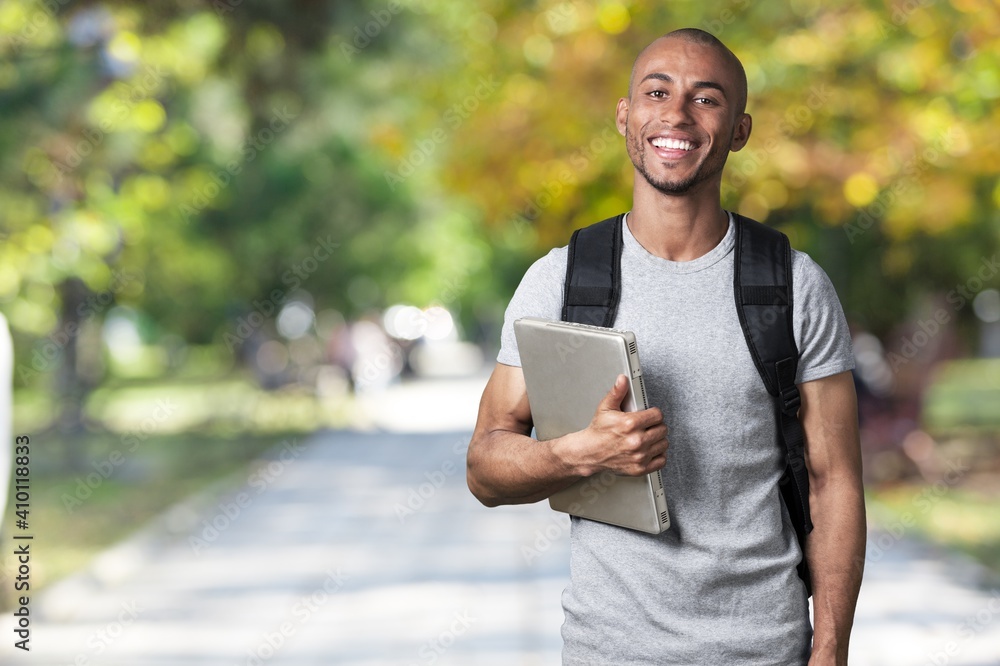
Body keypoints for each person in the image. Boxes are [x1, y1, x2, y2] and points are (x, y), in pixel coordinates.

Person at [466, 28, 865, 665]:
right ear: (627, 115)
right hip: (609, 649)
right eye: (657, 92)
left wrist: (830, 650)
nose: (676, 113)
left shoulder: (794, 285)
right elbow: (485, 468)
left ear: (739, 129)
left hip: (765, 650)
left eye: (706, 99)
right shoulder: (562, 280)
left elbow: (834, 480)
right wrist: (579, 453)